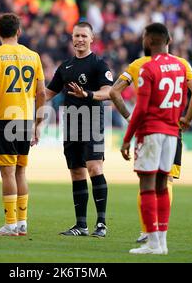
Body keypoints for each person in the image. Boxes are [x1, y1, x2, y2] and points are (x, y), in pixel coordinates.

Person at [110, 30, 192, 244]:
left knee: (146, 180)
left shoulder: (140, 64)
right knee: (166, 180)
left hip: (149, 129)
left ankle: (148, 231)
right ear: (169, 41)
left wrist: (128, 118)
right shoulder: (182, 64)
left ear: (148, 41)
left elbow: (114, 92)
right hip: (173, 130)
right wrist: (187, 119)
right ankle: (162, 235)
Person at [0, 13, 46, 236]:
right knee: (21, 172)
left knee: (7, 172)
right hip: (25, 118)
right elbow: (42, 92)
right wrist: (37, 123)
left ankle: (10, 223)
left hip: (4, 119)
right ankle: (23, 222)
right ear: (19, 32)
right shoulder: (33, 56)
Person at [46, 22, 113, 237]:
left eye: (84, 35)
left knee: (94, 167)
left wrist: (88, 95)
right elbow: (48, 93)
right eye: (76, 36)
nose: (80, 39)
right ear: (72, 38)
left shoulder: (99, 65)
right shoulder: (65, 67)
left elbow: (108, 92)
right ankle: (81, 225)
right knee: (76, 171)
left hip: (92, 119)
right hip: (71, 121)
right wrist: (24, 96)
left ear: (92, 38)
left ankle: (101, 223)